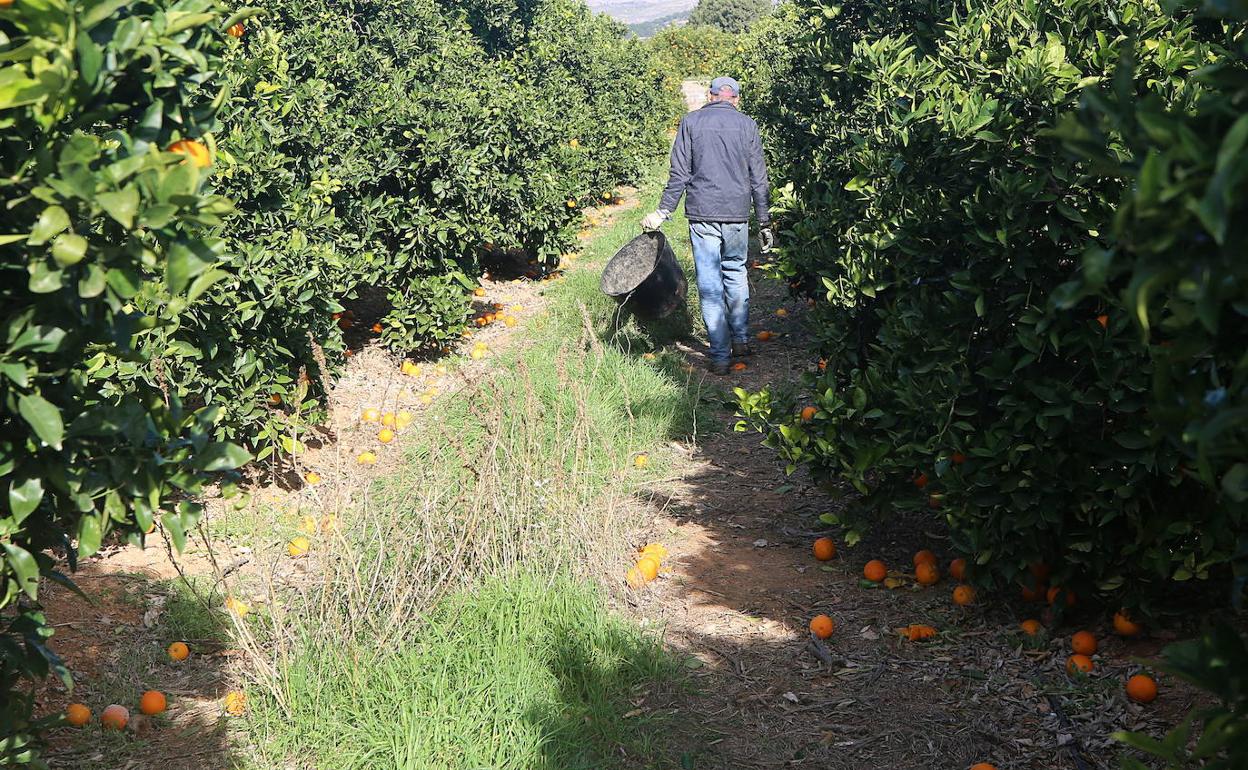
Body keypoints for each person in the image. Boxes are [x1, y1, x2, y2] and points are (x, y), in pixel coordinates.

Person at [641, 75, 772, 376]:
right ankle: (739, 341)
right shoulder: (747, 125)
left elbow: (679, 174)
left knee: (710, 283)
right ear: (735, 99)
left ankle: (720, 356)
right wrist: (764, 220)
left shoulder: (691, 122)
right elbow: (759, 178)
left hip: (702, 214)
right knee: (735, 273)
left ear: (710, 96)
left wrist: (663, 212)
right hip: (737, 213)